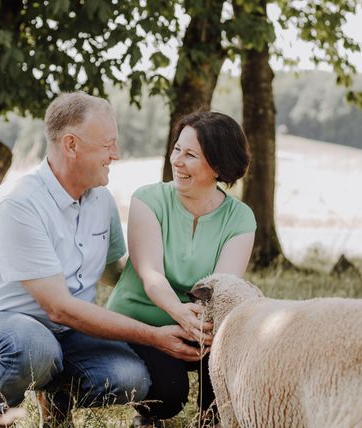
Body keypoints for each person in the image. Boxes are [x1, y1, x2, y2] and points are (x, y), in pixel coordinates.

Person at [0, 92, 205, 428]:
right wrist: (154, 335)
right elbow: (58, 307)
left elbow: (114, 271)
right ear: (71, 145)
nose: (115, 154)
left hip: (65, 332)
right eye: (108, 144)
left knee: (130, 378)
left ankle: (54, 403)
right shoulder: (20, 204)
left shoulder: (100, 200)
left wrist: (173, 293)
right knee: (34, 349)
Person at [106, 111, 256, 427]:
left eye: (190, 155)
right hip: (141, 323)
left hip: (199, 324)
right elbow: (151, 274)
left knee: (230, 362)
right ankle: (149, 417)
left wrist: (201, 326)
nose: (177, 161)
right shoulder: (148, 199)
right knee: (169, 395)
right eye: (177, 149)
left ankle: (214, 419)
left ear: (217, 165)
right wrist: (180, 313)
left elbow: (221, 287)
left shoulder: (240, 218)